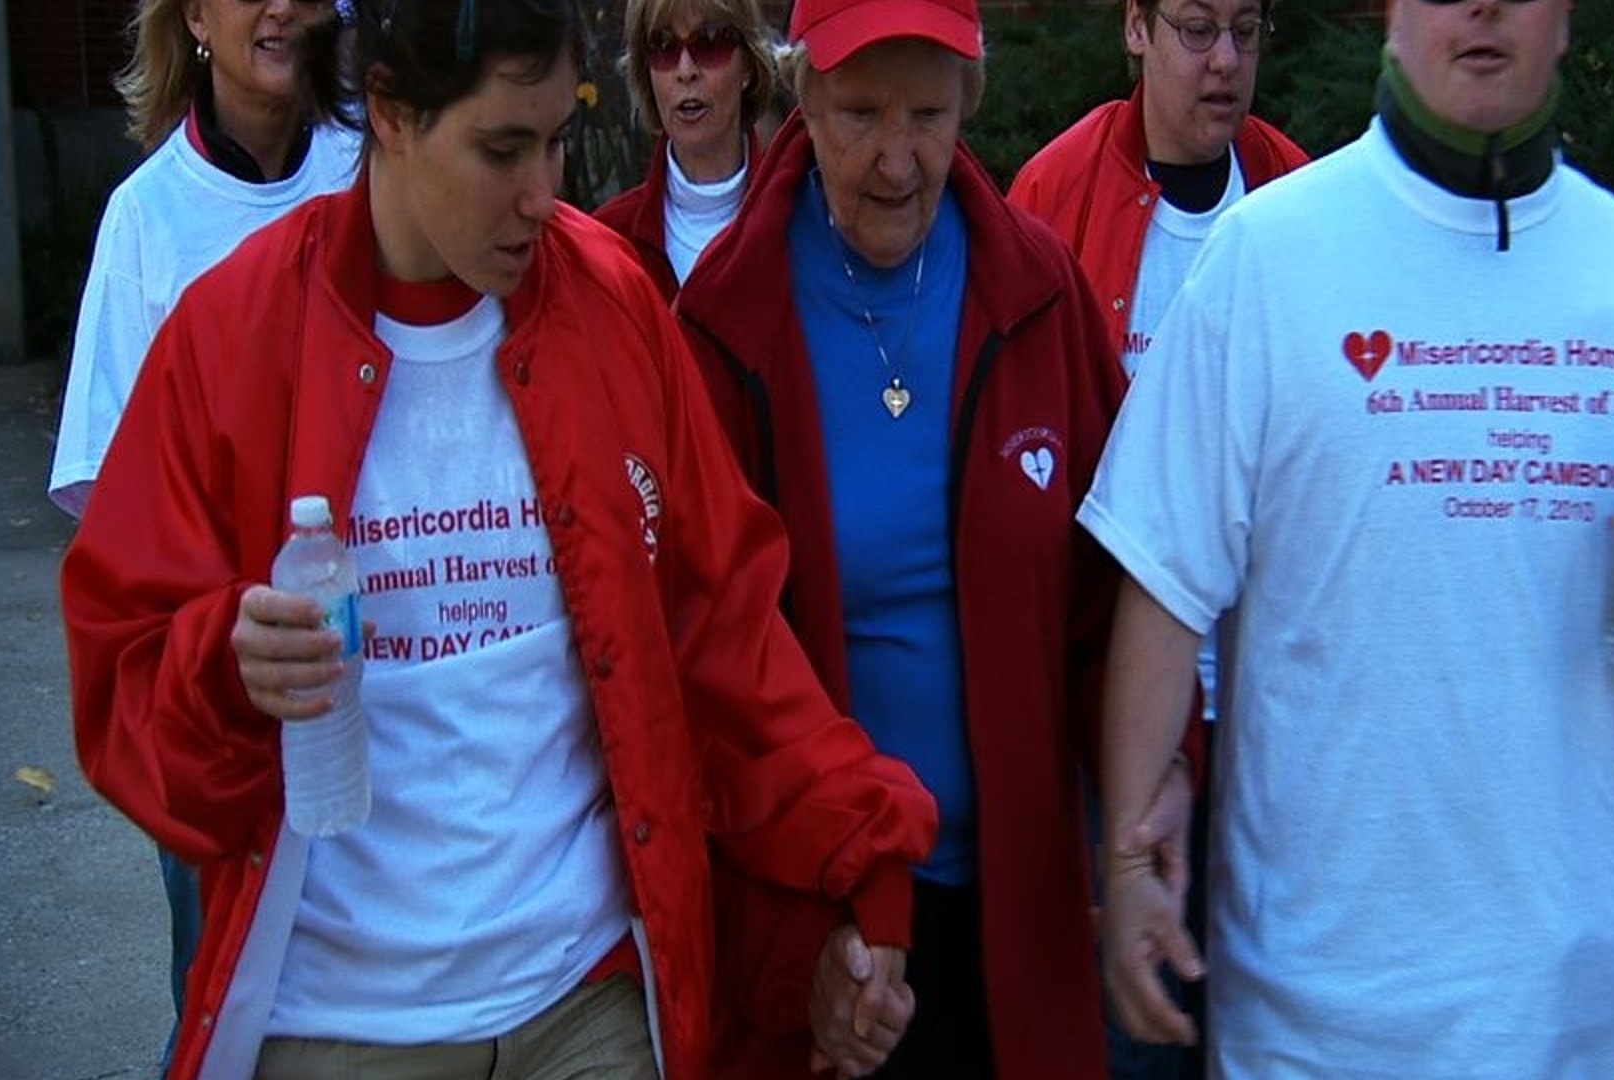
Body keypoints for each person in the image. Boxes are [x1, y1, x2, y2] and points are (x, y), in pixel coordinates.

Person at [59, 0, 937, 1073]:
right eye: (501, 148)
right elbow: (122, 681)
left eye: (559, 139)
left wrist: (864, 864)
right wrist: (223, 666)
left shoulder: (612, 304)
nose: (544, 193)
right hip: (340, 1016)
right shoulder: (229, 335)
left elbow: (730, 637)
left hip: (587, 997)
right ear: (387, 114)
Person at [1081, 0, 1614, 1077]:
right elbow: (1162, 581)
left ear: (1567, 21)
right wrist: (1125, 865)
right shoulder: (1267, 259)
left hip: (1563, 1008)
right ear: (1393, 12)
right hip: (1311, 1017)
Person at [672, 0, 1150, 1075]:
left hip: (1019, 907)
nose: (897, 159)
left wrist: (1144, 809)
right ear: (798, 98)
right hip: (819, 922)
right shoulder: (723, 324)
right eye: (859, 114)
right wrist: (804, 946)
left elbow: (1115, 598)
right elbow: (705, 671)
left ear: (971, 102)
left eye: (929, 113)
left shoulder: (1037, 290)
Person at [45, 0, 361, 1060]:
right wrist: (207, 645)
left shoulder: (376, 177)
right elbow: (108, 501)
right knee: (226, 994)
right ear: (191, 17)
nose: (280, 7)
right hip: (223, 690)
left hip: (379, 662)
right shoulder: (147, 219)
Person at [1008, 4, 1307, 1075]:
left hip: (1275, 708)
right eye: (1193, 27)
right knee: (1139, 1026)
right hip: (1123, 707)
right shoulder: (1051, 196)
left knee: (1270, 1019)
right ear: (1134, 29)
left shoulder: (1297, 202)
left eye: (1245, 30)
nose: (1224, 61)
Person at [590, 0, 777, 300]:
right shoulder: (606, 242)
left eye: (710, 42)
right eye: (663, 45)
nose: (685, 70)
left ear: (748, 67)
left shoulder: (801, 225)